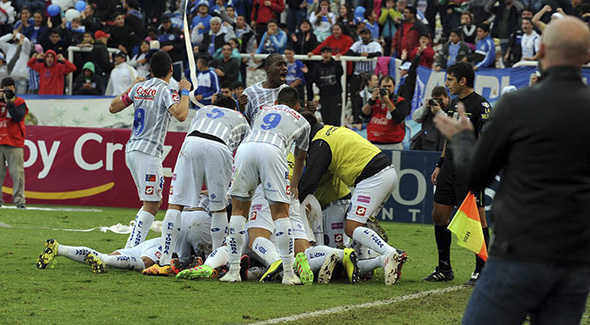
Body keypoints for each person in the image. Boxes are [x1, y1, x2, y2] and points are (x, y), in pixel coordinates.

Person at [433, 17, 590, 325]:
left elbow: (476, 174)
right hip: (575, 261)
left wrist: (462, 138)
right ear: (587, 56)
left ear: (541, 50)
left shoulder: (517, 105)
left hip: (520, 252)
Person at [142, 96, 250, 275]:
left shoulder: (203, 110)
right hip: (220, 146)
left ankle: (164, 262)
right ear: (235, 108)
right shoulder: (241, 120)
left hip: (191, 142)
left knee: (176, 203)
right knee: (219, 208)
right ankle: (216, 263)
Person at [298, 116, 408, 285]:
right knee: (358, 234)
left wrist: (292, 200)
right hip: (386, 172)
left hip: (372, 177)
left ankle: (390, 253)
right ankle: (375, 259)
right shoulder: (331, 130)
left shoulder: (320, 142)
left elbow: (310, 181)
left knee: (352, 227)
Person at [223, 87, 311, 285]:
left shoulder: (263, 111)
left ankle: (233, 271)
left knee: (238, 211)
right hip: (273, 150)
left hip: (246, 149)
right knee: (281, 213)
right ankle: (288, 273)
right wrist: (294, 184)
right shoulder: (303, 121)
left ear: (276, 101)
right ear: (298, 105)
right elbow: (300, 157)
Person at [108, 50, 190, 249]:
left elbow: (113, 107)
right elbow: (181, 115)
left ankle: (132, 246)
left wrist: (133, 86)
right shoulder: (166, 90)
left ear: (150, 70)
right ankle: (130, 248)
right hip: (148, 152)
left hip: (132, 149)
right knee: (152, 203)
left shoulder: (139, 88)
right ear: (171, 69)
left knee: (150, 202)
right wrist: (185, 91)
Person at [423, 61, 491, 286]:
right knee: (438, 214)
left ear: (463, 81)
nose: (446, 83)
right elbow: (450, 137)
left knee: (477, 217)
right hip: (449, 167)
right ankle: (444, 268)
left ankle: (482, 270)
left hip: (469, 168)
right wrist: (440, 164)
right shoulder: (454, 103)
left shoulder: (481, 106)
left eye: (450, 79)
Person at [36, 204, 213, 273]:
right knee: (143, 263)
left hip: (154, 241)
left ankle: (59, 249)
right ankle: (102, 260)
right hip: (162, 245)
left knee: (110, 255)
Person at [345, 27, 382, 126]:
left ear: (370, 34)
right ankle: (357, 119)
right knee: (355, 98)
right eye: (362, 34)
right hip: (358, 75)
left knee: (369, 97)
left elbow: (378, 53)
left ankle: (370, 118)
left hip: (369, 75)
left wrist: (368, 55)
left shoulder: (374, 44)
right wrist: (361, 54)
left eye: (366, 34)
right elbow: (349, 52)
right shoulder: (358, 44)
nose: (364, 36)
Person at [361, 75, 410, 150]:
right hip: (374, 143)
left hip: (393, 145)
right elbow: (363, 115)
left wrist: (387, 102)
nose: (387, 89)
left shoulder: (400, 101)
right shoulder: (374, 100)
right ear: (379, 87)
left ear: (394, 87)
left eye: (389, 86)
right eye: (384, 86)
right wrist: (372, 100)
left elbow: (399, 118)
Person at [0, 77, 28, 209]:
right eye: (5, 88)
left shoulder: (19, 102)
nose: (8, 91)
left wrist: (9, 102)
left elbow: (18, 117)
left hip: (14, 141)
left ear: (14, 88)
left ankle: (19, 201)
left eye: (10, 88)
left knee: (16, 173)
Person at [239, 53, 289, 123]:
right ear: (268, 68)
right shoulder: (251, 92)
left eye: (285, 65)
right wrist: (241, 108)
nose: (284, 68)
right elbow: (246, 122)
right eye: (279, 64)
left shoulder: (287, 91)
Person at [410, 86, 450, 151]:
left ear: (447, 97)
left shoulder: (453, 107)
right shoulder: (430, 107)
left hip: (444, 147)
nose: (438, 102)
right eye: (436, 99)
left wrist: (438, 112)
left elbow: (452, 125)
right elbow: (415, 118)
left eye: (440, 99)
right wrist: (424, 108)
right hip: (427, 146)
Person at [311, 46, 343, 126]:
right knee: (326, 118)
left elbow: (340, 73)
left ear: (330, 53)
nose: (326, 54)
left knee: (335, 118)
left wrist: (338, 62)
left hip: (335, 95)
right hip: (324, 95)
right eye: (324, 53)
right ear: (321, 54)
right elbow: (314, 79)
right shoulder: (318, 66)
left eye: (327, 52)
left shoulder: (335, 63)